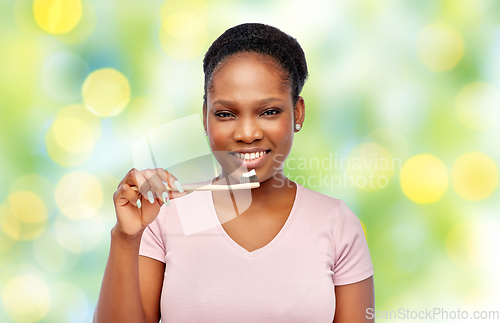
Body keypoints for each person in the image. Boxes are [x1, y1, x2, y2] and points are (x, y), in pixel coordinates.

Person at [94, 23, 374, 323]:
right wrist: (126, 237)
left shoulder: (337, 224)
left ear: (298, 113)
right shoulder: (163, 215)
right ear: (205, 117)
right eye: (226, 114)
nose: (247, 133)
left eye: (269, 112)